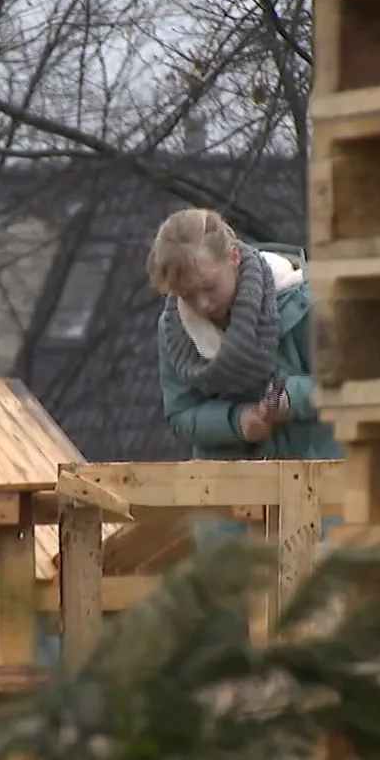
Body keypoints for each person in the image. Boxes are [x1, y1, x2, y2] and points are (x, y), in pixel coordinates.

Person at [148, 208, 341, 547]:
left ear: (234, 257)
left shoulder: (307, 303)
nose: (203, 304)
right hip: (228, 515)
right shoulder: (172, 332)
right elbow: (180, 415)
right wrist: (237, 423)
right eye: (187, 295)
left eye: (208, 286)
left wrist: (291, 400)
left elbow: (351, 387)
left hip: (321, 498)